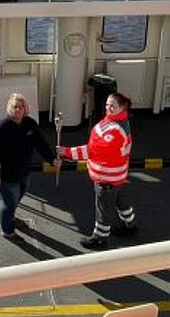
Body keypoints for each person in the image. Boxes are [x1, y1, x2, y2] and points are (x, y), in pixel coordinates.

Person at [58, 92, 135, 251]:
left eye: (113, 105)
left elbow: (92, 151)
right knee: (121, 201)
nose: (108, 107)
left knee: (103, 208)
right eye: (107, 104)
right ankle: (130, 224)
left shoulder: (114, 131)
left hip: (106, 178)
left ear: (123, 108)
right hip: (118, 176)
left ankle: (100, 238)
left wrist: (66, 152)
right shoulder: (122, 123)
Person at [0, 94, 59, 245]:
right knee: (9, 203)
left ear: (26, 109)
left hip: (24, 172)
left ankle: (10, 216)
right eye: (15, 107)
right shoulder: (1, 128)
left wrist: (52, 159)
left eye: (21, 107)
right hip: (6, 175)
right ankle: (8, 231)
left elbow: (40, 143)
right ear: (9, 108)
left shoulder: (30, 124)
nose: (18, 110)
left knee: (18, 197)